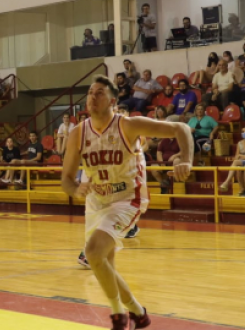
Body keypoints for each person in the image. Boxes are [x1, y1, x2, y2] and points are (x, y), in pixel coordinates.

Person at [60, 75, 192, 330]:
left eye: (98, 93)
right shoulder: (78, 133)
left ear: (111, 100)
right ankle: (138, 313)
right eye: (89, 92)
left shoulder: (129, 125)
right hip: (96, 201)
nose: (92, 97)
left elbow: (181, 129)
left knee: (93, 253)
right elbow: (66, 179)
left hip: (127, 198)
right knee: (102, 262)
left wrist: (186, 159)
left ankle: (119, 316)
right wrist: (76, 188)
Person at [219, 127, 245, 196]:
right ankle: (242, 189)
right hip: (242, 162)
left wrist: (241, 156)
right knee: (238, 166)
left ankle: (226, 182)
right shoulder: (239, 143)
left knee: (236, 162)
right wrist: (243, 156)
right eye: (243, 131)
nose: (244, 133)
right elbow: (236, 156)